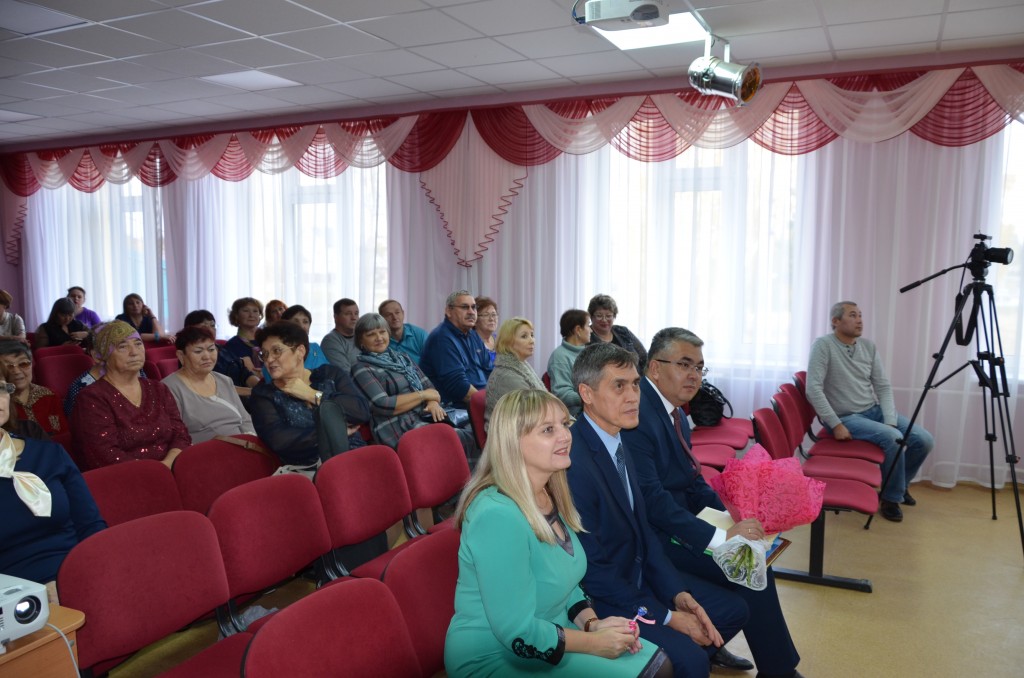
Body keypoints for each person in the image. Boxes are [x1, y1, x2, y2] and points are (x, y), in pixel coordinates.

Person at [445, 388, 671, 678]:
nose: (565, 436)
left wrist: (592, 624)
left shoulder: (547, 492)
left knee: (659, 663)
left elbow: (567, 581)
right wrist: (595, 643)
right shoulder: (496, 515)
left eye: (565, 424)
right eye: (548, 429)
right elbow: (518, 633)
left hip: (551, 631)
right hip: (495, 655)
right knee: (653, 672)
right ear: (513, 441)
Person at [623, 328, 802, 677]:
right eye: (684, 364)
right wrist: (719, 537)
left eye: (699, 367)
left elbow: (691, 480)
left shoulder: (674, 410)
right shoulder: (639, 415)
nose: (694, 375)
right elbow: (652, 501)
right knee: (749, 565)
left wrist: (732, 517)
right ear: (655, 368)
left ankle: (727, 648)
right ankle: (778, 671)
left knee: (752, 555)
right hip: (657, 537)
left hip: (680, 522)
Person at [566, 343, 749, 678]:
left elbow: (644, 533)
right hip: (604, 599)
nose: (633, 396)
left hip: (640, 578)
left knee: (734, 609)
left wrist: (677, 595)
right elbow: (592, 570)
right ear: (587, 394)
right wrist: (666, 616)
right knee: (692, 661)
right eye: (618, 386)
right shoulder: (574, 463)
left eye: (635, 384)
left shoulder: (619, 440)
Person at [806, 301, 935, 523]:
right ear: (835, 321)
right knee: (893, 438)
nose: (859, 320)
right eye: (852, 315)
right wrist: (836, 424)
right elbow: (813, 389)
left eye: (860, 315)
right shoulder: (823, 345)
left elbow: (882, 386)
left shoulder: (868, 347)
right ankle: (891, 498)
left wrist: (890, 420)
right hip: (845, 417)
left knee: (923, 440)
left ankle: (899, 485)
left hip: (872, 410)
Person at [0, 376, 106, 603]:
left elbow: (90, 525)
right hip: (13, 597)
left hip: (78, 573)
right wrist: (31, 595)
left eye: (0, 388)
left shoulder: (49, 453)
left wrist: (90, 577)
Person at [249, 321, 370, 475]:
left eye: (276, 351)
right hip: (312, 472)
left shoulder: (329, 374)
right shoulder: (264, 395)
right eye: (264, 354)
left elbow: (361, 412)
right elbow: (279, 440)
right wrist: (335, 432)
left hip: (357, 458)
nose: (269, 359)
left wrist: (312, 394)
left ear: (300, 351)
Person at [71, 321, 191, 470]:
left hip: (172, 467)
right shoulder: (91, 398)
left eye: (138, 344)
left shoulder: (158, 388)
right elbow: (104, 455)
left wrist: (167, 464)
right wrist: (157, 471)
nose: (134, 352)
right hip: (126, 477)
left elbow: (181, 434)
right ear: (98, 356)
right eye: (122, 346)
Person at [162, 325, 256, 443]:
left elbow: (245, 420)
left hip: (243, 446)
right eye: (198, 351)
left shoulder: (225, 381)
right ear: (181, 355)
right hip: (203, 451)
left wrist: (251, 442)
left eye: (211, 349)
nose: (207, 357)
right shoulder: (168, 388)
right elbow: (175, 437)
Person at [420, 290, 492, 405]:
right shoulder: (441, 338)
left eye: (474, 307)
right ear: (449, 311)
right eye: (464, 307)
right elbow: (459, 387)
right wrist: (490, 405)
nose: (471, 312)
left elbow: (490, 371)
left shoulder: (473, 334)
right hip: (458, 407)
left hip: (482, 400)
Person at [183, 310, 261, 396]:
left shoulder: (223, 349)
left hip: (243, 395)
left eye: (212, 325)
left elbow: (245, 374)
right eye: (204, 327)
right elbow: (214, 387)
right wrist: (253, 392)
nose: (210, 330)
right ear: (190, 330)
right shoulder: (190, 356)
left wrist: (261, 387)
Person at [484, 317, 544, 428]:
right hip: (511, 435)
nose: (532, 340)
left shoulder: (521, 364)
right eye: (524, 336)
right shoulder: (506, 376)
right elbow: (533, 413)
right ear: (508, 342)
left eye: (532, 335)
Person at [0, 341, 70, 436]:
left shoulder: (50, 395)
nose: (16, 371)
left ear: (32, 364)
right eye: (8, 366)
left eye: (23, 364)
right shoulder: (2, 404)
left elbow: (64, 434)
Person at [547, 309, 592, 416]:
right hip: (575, 414)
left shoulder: (588, 353)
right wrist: (592, 396)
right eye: (588, 325)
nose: (591, 330)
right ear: (578, 330)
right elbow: (562, 394)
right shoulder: (559, 357)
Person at [587, 294, 648, 373]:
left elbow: (644, 357)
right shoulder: (586, 336)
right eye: (599, 316)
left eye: (608, 316)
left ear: (614, 316)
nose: (604, 320)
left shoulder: (623, 331)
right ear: (591, 317)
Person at [379, 299, 428, 364]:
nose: (395, 317)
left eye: (397, 312)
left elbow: (433, 360)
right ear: (381, 318)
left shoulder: (420, 335)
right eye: (389, 314)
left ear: (403, 313)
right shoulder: (380, 339)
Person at [224, 297, 264, 374]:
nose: (251, 315)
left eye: (255, 311)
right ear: (236, 316)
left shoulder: (270, 338)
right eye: (246, 311)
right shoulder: (232, 345)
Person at [321, 298, 361, 372]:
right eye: (348, 314)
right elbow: (344, 373)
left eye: (356, 313)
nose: (354, 318)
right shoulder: (330, 341)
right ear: (336, 317)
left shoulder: (363, 336)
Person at [474, 296, 499, 369]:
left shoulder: (500, 340)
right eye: (486, 315)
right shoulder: (471, 343)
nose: (491, 319)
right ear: (475, 319)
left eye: (494, 314)